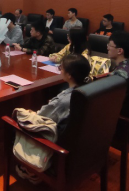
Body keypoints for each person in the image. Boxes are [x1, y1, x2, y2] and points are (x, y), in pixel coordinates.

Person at [15, 55, 92, 184]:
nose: (60, 70)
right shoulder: (90, 88)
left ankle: (30, 170)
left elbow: (41, 116)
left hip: (59, 145)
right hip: (82, 145)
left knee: (18, 117)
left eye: (61, 68)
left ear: (69, 75)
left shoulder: (64, 101)